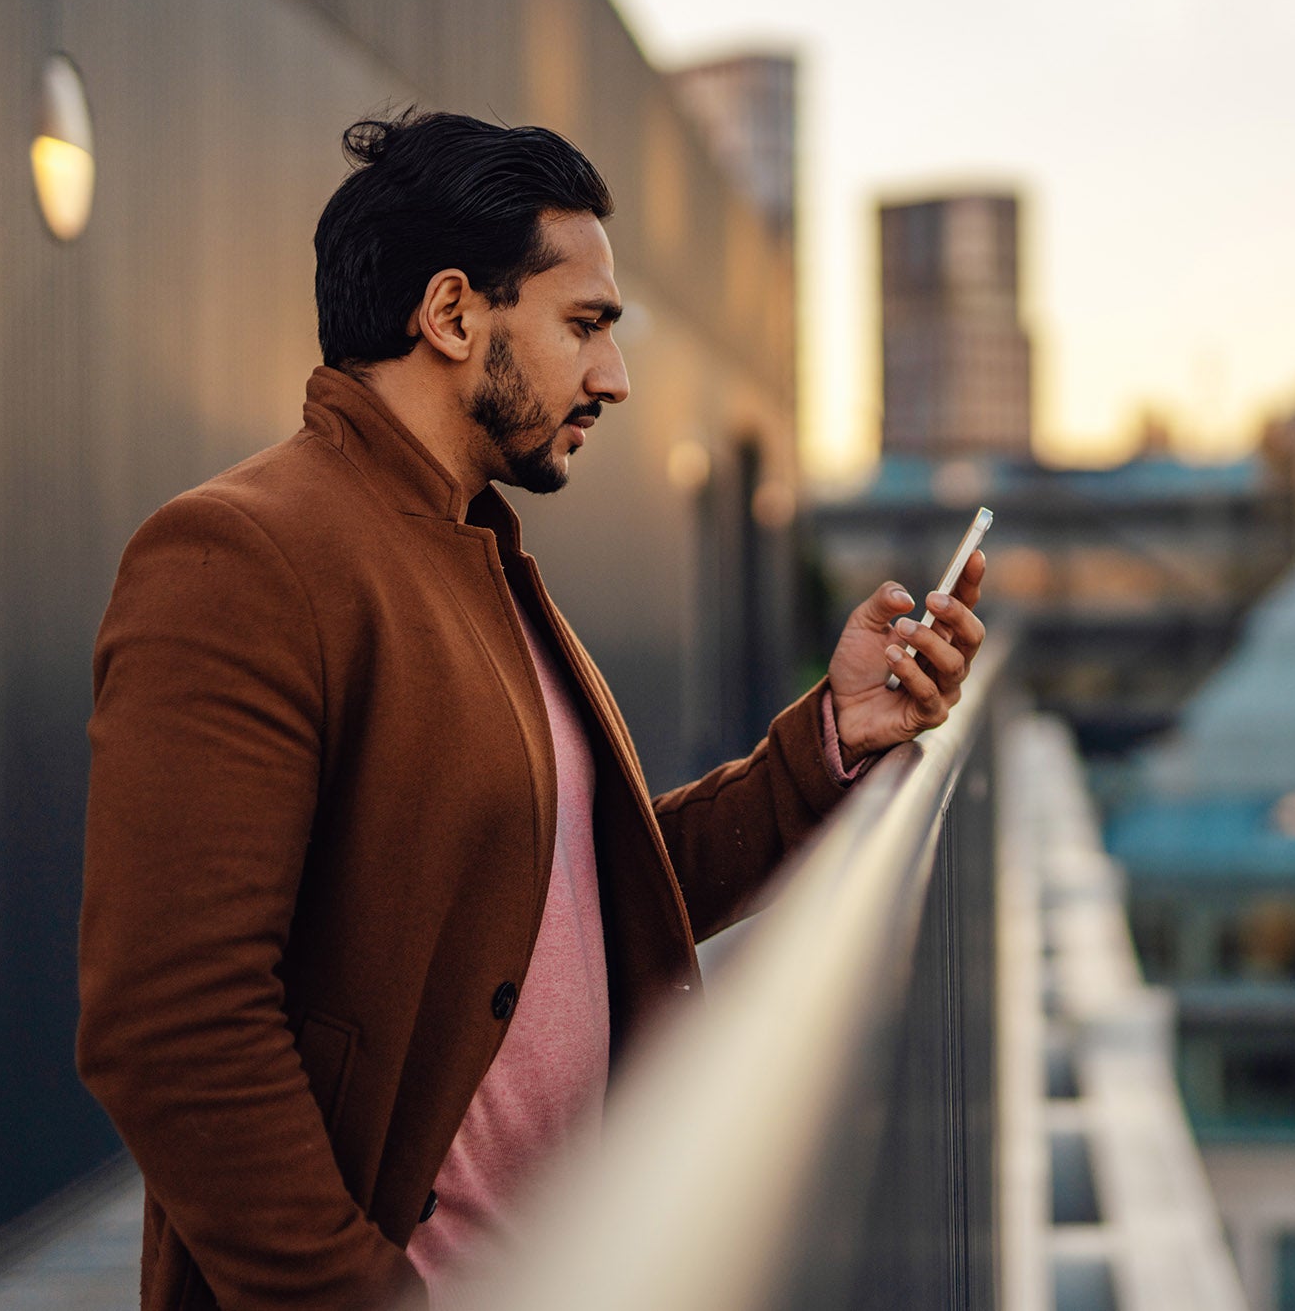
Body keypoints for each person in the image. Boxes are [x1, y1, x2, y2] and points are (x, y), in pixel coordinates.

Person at [75, 110, 986, 1311]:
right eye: (586, 326)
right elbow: (171, 1025)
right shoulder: (242, 557)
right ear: (452, 315)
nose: (613, 377)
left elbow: (581, 897)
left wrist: (832, 738)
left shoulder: (476, 554)